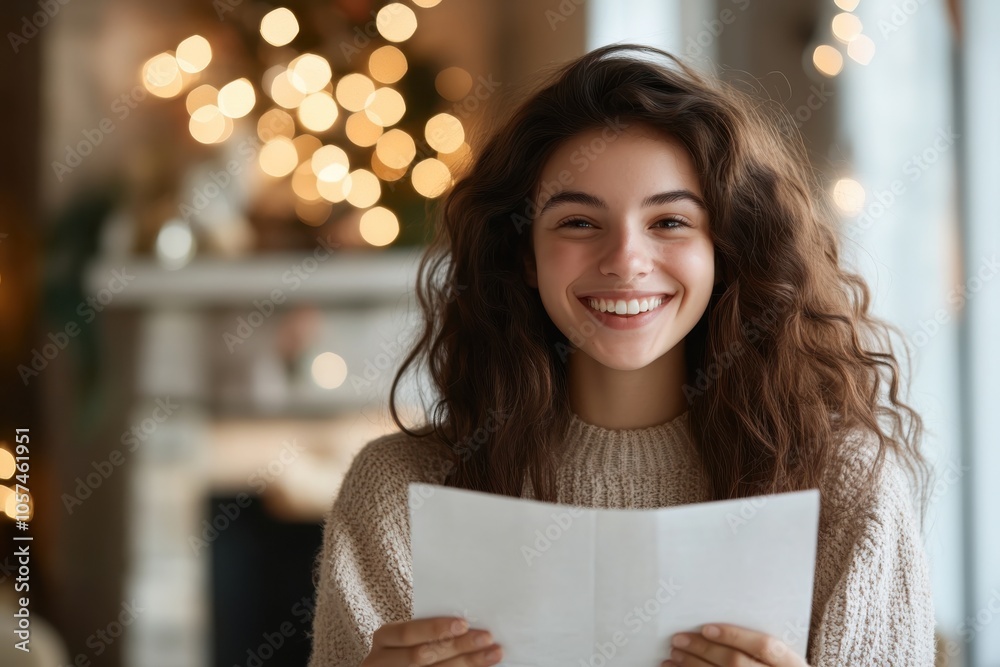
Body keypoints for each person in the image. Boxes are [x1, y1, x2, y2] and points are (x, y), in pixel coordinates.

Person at [306, 43, 937, 667]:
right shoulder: (397, 495)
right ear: (524, 254)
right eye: (578, 222)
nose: (625, 261)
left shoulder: (847, 489)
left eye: (670, 222)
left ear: (728, 246)